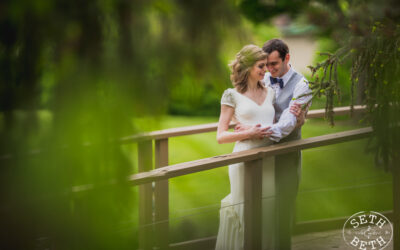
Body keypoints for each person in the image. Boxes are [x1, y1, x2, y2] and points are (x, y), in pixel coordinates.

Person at [215, 44, 305, 250]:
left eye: (266, 66)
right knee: (246, 212)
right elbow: (221, 136)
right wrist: (248, 133)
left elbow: (277, 126)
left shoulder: (270, 92)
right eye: (261, 66)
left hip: (268, 159)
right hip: (244, 159)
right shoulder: (231, 95)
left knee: (267, 211)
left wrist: (299, 121)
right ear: (247, 67)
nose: (266, 71)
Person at [261, 38, 312, 250]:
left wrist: (258, 132)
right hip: (260, 155)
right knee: (261, 208)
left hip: (287, 154)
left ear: (287, 58)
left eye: (274, 64)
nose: (269, 69)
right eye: (266, 64)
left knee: (283, 208)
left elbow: (288, 124)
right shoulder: (262, 78)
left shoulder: (302, 85)